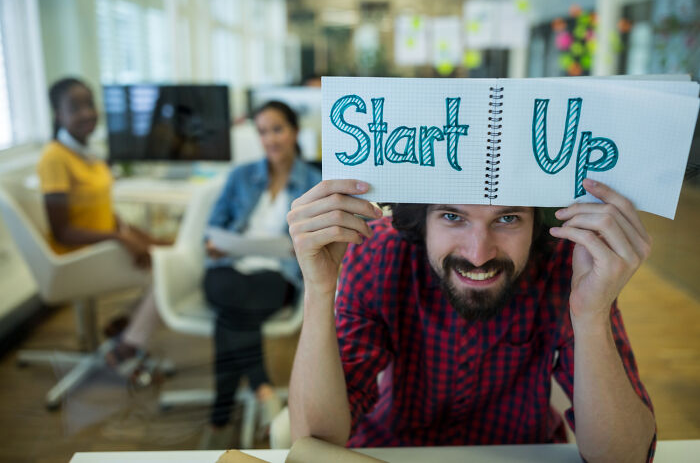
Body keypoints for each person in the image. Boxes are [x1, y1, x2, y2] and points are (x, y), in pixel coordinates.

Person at [287, 178, 657, 462]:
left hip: (519, 453)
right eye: (453, 216)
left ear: (538, 223)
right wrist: (319, 290)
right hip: (390, 450)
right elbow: (314, 441)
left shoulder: (569, 265)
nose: (479, 254)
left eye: (508, 218)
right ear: (422, 220)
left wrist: (591, 315)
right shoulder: (378, 253)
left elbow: (624, 456)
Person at [201, 101, 321, 448]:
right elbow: (212, 227)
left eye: (278, 129)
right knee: (231, 296)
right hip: (230, 268)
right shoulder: (241, 175)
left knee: (230, 314)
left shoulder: (313, 182)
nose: (270, 138)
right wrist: (214, 244)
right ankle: (262, 386)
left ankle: (222, 409)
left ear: (295, 132)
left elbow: (316, 241)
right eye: (263, 131)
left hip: (276, 274)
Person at [37, 77, 166, 378]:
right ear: (58, 114)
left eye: (89, 104)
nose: (86, 113)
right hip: (76, 254)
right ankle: (127, 343)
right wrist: (120, 238)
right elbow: (63, 232)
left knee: (170, 251)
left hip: (102, 243)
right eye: (75, 107)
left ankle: (125, 325)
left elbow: (104, 214)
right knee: (171, 268)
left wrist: (144, 238)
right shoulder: (55, 157)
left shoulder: (88, 153)